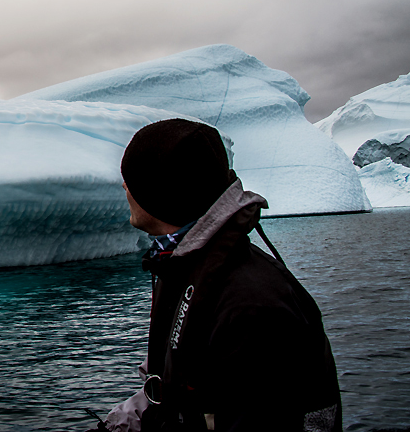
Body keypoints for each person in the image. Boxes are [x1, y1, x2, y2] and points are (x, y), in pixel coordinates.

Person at [93, 118, 342, 432]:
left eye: (131, 179)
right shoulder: (188, 269)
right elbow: (166, 392)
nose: (125, 187)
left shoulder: (251, 308)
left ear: (160, 191)